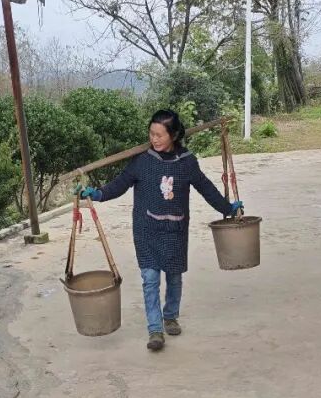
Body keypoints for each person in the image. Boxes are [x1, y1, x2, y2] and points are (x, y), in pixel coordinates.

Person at [79, 110, 242, 351]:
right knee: (150, 279)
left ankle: (171, 316)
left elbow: (206, 188)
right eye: (151, 134)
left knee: (174, 276)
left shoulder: (187, 162)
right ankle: (155, 329)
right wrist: (98, 194)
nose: (154, 139)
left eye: (159, 135)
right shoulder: (142, 161)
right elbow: (120, 184)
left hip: (175, 228)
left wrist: (227, 208)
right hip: (146, 229)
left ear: (173, 135)